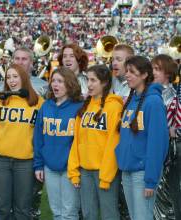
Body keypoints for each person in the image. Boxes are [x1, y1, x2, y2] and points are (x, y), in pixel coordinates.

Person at [0, 64, 43, 220]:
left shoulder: (38, 102)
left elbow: (41, 135)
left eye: (16, 77)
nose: (12, 81)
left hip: (26, 162)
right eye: (8, 77)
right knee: (2, 209)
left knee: (23, 209)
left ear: (24, 78)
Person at [115, 56, 169, 220]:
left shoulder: (153, 102)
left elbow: (157, 145)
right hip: (128, 170)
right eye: (127, 71)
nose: (127, 75)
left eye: (132, 72)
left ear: (145, 74)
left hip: (143, 173)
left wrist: (151, 180)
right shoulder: (131, 101)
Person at [68, 64, 123, 220]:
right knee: (88, 214)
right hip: (85, 171)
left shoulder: (114, 107)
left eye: (93, 80)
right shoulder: (85, 107)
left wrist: (105, 176)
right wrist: (74, 170)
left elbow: (114, 143)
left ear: (104, 83)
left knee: (109, 214)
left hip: (105, 172)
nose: (89, 84)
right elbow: (77, 141)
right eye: (87, 80)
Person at [33, 67, 83, 220]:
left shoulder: (79, 107)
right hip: (49, 167)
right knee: (57, 211)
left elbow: (81, 141)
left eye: (60, 81)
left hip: (71, 168)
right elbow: (38, 138)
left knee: (69, 213)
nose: (55, 84)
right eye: (53, 81)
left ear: (70, 84)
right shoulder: (46, 106)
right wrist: (38, 164)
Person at [151, 54, 177, 220]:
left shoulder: (173, 96)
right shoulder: (149, 93)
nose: (153, 72)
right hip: (150, 150)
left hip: (167, 152)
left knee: (163, 195)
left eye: (157, 69)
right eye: (152, 68)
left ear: (168, 73)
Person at [112, 44, 134, 220]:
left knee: (128, 203)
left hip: (128, 151)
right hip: (112, 149)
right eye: (113, 59)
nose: (114, 62)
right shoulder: (111, 83)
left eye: (119, 59)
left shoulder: (135, 86)